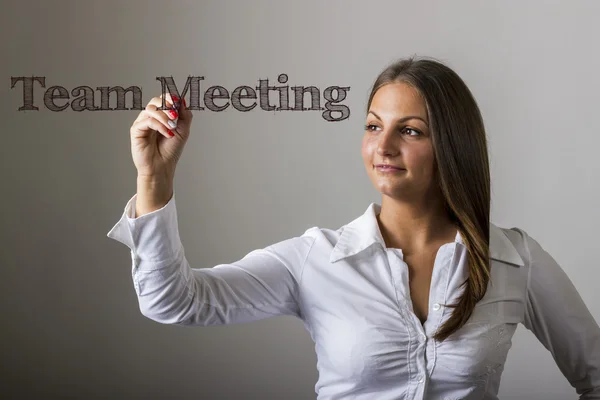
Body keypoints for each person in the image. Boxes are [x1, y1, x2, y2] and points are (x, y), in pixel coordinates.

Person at [106, 56, 600, 399]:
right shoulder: (315, 259)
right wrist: (155, 177)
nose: (382, 146)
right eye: (371, 125)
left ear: (452, 145)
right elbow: (173, 302)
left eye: (409, 130)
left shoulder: (514, 259)